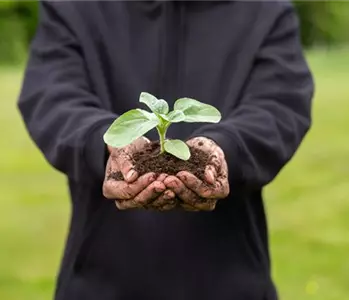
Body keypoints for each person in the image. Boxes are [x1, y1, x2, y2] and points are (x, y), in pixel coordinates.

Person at [18, 0, 314, 299]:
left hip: (230, 282)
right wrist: (104, 142)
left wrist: (227, 149)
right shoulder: (73, 7)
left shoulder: (264, 10)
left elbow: (280, 104)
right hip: (100, 282)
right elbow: (51, 96)